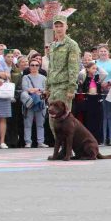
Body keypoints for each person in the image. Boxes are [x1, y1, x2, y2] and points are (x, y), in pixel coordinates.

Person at [47, 15, 82, 143]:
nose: (59, 28)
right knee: (52, 119)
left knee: (63, 120)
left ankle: (66, 147)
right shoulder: (53, 45)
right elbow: (50, 67)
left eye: (61, 25)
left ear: (66, 26)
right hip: (53, 86)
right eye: (56, 26)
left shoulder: (71, 45)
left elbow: (73, 67)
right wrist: (47, 87)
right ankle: (59, 146)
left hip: (64, 86)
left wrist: (71, 88)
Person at [21, 57, 48, 148]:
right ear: (29, 67)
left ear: (39, 67)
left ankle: (40, 142)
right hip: (30, 102)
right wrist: (37, 90)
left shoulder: (43, 78)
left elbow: (46, 90)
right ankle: (28, 142)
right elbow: (25, 89)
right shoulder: (26, 77)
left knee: (41, 123)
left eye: (36, 65)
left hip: (40, 102)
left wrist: (37, 90)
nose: (34, 67)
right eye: (32, 65)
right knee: (28, 123)